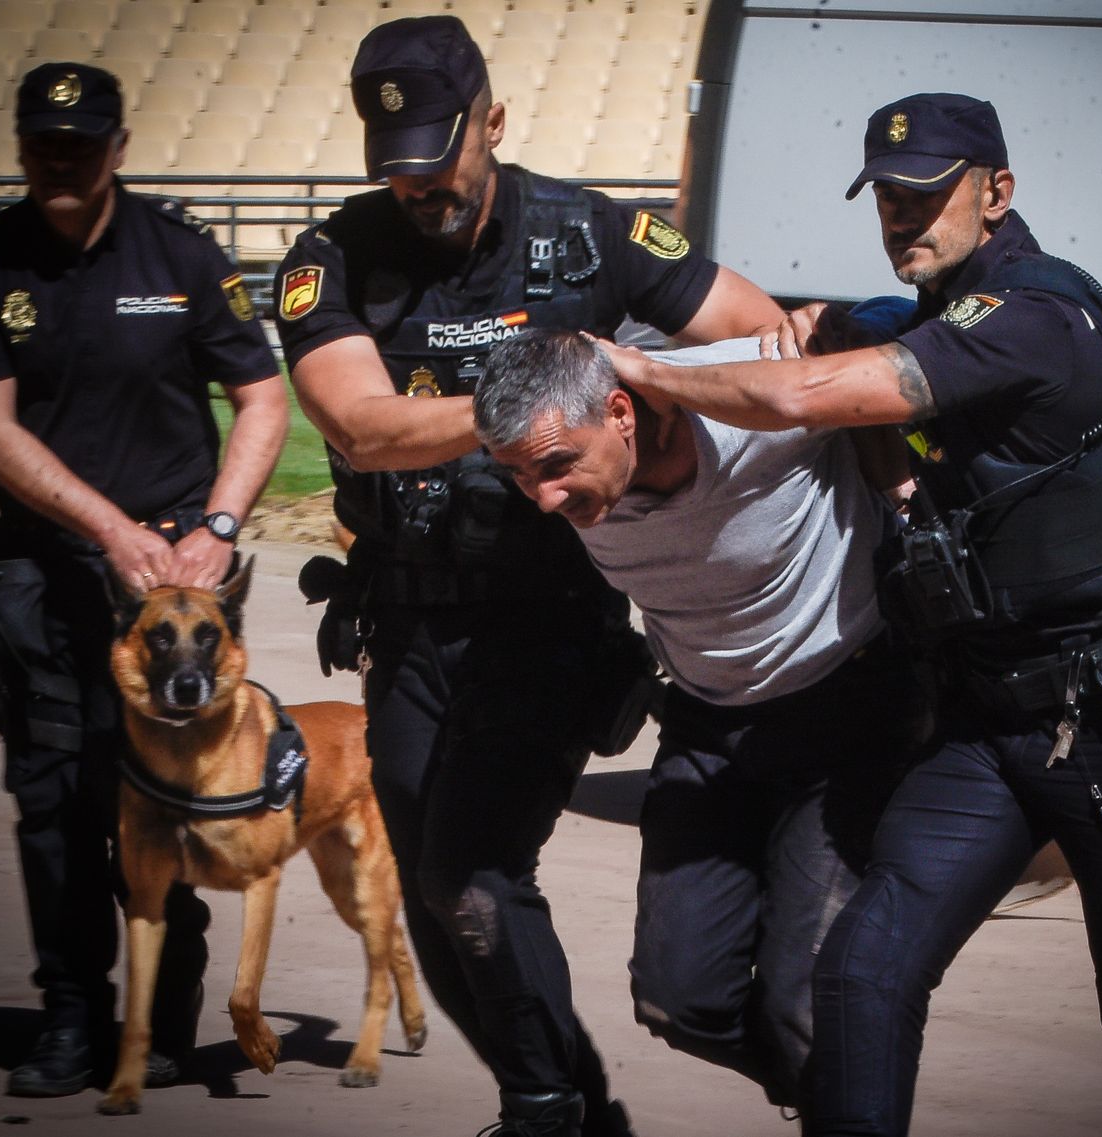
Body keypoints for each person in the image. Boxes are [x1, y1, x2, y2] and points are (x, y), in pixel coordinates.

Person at [602, 93, 1102, 1136]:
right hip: (990, 728)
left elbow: (810, 395)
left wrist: (648, 372)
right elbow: (885, 333)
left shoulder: (1041, 316)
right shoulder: (939, 311)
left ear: (996, 192)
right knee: (858, 974)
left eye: (926, 195)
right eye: (886, 197)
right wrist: (834, 320)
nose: (902, 216)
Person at [271, 16, 784, 1137]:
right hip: (408, 614)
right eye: (396, 167)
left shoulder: (590, 232)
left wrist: (648, 427)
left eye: (438, 156)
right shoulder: (331, 257)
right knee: (431, 889)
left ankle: (550, 1109)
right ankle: (560, 1102)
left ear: (491, 122)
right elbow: (361, 427)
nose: (419, 187)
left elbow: (755, 330)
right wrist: (545, 400)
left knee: (473, 869)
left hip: (551, 611)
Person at [0, 62, 289, 1098]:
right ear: (19, 146)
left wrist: (218, 529)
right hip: (43, 581)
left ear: (117, 149)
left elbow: (261, 399)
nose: (61, 161)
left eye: (81, 145)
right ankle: (69, 1018)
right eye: (44, 144)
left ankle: (164, 1013)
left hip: (171, 591)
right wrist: (105, 529)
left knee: (159, 803)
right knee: (52, 807)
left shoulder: (181, 253)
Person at [472, 329, 926, 1117]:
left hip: (846, 713)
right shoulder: (568, 476)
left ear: (621, 413)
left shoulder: (754, 408)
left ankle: (840, 1090)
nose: (544, 497)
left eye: (557, 464)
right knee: (677, 1000)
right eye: (518, 474)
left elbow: (884, 364)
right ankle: (837, 1091)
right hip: (707, 724)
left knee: (808, 1007)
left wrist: (899, 485)